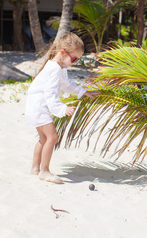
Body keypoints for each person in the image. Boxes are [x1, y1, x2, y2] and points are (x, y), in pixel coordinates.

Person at [25, 33, 99, 184]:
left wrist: (84, 92)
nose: (75, 62)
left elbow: (66, 84)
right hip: (40, 106)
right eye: (74, 59)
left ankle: (35, 168)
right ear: (62, 52)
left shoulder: (58, 66)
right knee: (52, 138)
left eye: (78, 59)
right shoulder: (54, 68)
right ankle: (44, 171)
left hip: (36, 105)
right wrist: (62, 109)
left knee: (44, 138)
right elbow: (49, 93)